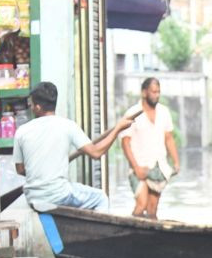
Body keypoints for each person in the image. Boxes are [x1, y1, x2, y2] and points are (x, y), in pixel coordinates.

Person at [14, 82, 135, 212]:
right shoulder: (67, 126)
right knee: (101, 198)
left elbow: (20, 170)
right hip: (59, 195)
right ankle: (97, 232)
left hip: (33, 197)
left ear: (37, 107)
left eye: (31, 105)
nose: (31, 108)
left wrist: (40, 169)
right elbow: (96, 153)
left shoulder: (22, 131)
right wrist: (117, 129)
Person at [120, 77, 180, 219]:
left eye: (158, 92)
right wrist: (136, 167)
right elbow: (125, 143)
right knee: (141, 205)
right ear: (144, 92)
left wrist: (176, 161)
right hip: (139, 166)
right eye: (153, 92)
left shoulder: (164, 112)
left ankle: (150, 240)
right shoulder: (132, 113)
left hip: (158, 167)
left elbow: (169, 138)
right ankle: (128, 236)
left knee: (152, 210)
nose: (156, 95)